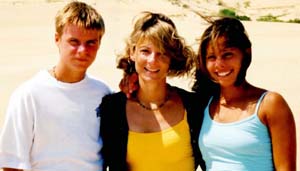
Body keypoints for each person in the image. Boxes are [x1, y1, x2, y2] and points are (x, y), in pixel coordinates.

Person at [0, 1, 111, 171]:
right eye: (74, 41)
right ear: (57, 39)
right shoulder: (29, 94)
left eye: (90, 42)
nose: (82, 50)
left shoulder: (104, 93)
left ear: (99, 43)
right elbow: (12, 164)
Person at [98, 11, 206, 171]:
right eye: (145, 51)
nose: (152, 60)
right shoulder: (112, 108)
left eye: (162, 53)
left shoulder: (194, 106)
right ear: (132, 52)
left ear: (172, 58)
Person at [193, 17, 297, 171]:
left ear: (245, 53)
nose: (219, 64)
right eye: (212, 57)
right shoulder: (205, 104)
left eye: (227, 54)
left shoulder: (270, 104)